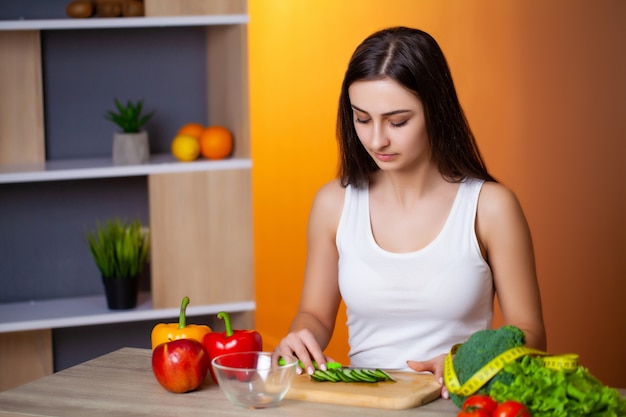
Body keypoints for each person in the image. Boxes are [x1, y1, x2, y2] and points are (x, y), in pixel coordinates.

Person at [273, 26, 546, 398]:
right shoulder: (333, 204)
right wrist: (299, 340)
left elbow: (530, 334)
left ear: (436, 111)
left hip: (457, 402)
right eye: (362, 118)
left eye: (398, 121)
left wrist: (463, 360)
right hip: (363, 404)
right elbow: (316, 316)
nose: (376, 140)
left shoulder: (490, 207)